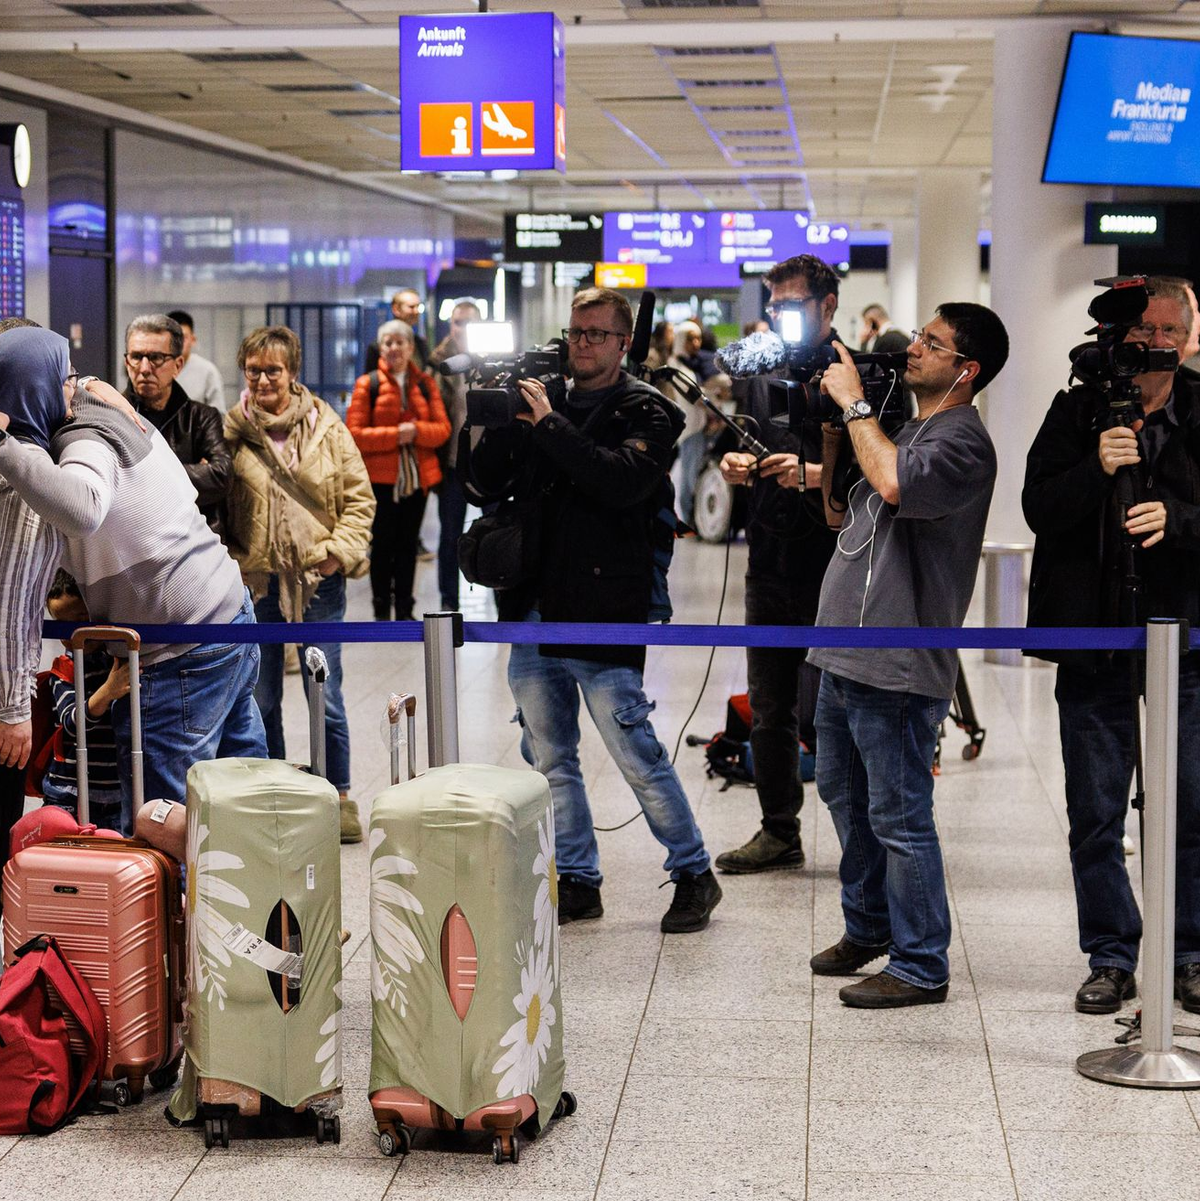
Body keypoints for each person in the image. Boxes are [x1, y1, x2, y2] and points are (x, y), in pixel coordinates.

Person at [466, 286, 722, 934]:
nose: (581, 344)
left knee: (635, 751)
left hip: (604, 606)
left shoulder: (648, 411)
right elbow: (483, 483)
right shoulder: (538, 399)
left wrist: (549, 423)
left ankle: (694, 871)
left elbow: (617, 480)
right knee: (549, 754)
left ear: (623, 343)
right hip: (532, 605)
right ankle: (578, 877)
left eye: (596, 334)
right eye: (575, 332)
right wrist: (496, 417)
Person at [808, 302, 1009, 1008]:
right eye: (919, 335)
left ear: (967, 369)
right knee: (844, 796)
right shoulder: (903, 427)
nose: (914, 348)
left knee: (897, 814)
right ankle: (868, 926)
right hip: (843, 647)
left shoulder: (965, 442)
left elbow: (896, 484)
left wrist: (855, 403)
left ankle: (922, 962)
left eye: (933, 342)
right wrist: (832, 435)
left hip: (896, 657)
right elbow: (842, 511)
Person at [0, 325, 267, 833]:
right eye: (63, 375)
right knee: (240, 810)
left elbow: (83, 509)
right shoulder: (99, 401)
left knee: (162, 825)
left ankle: (195, 890)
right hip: (226, 617)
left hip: (179, 649)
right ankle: (254, 886)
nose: (72, 385)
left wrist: (6, 447)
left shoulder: (80, 435)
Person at [1023, 276, 1200, 1015]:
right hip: (1094, 635)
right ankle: (1110, 953)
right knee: (1095, 810)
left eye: (1168, 330)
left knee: (1191, 803)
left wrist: (1180, 518)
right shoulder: (1076, 409)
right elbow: (1039, 507)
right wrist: (1096, 467)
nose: (1154, 342)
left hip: (1187, 639)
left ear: (1188, 339)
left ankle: (1190, 953)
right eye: (1142, 329)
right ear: (1118, 336)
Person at [224, 325, 375, 843]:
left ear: (293, 373)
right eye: (254, 370)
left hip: (318, 581)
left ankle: (338, 794)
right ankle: (278, 790)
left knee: (324, 695)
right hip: (258, 583)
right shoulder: (232, 431)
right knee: (261, 696)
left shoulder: (328, 427)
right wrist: (234, 561)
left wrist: (337, 554)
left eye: (274, 370)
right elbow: (215, 504)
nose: (263, 379)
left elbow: (359, 499)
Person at [715, 255, 839, 875]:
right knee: (769, 706)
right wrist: (734, 463)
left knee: (841, 709)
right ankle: (778, 829)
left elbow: (882, 471)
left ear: (827, 306)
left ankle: (862, 835)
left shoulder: (854, 374)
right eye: (774, 307)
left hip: (837, 562)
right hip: (768, 555)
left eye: (792, 306)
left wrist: (813, 474)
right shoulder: (761, 368)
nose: (780, 317)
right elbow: (737, 438)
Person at [0, 316, 66, 883]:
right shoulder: (27, 478)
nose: (71, 387)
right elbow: (11, 608)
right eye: (62, 374)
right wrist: (14, 711)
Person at [346, 319, 450, 620]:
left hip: (417, 480)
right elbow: (354, 434)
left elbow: (443, 429)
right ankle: (381, 608)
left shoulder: (425, 384)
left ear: (410, 347)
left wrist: (416, 431)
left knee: (407, 545)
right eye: (388, 343)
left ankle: (405, 608)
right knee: (381, 544)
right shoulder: (368, 384)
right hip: (380, 480)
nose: (394, 348)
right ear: (381, 348)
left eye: (399, 342)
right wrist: (395, 435)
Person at [124, 313, 232, 540]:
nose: (144, 368)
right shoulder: (113, 416)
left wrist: (143, 474)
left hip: (193, 542)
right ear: (127, 362)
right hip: (132, 542)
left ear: (178, 365)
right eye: (136, 357)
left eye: (156, 358)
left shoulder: (201, 418)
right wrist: (193, 470)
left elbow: (221, 475)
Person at [40, 571, 129, 832]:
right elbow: (71, 722)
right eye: (62, 625)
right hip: (68, 793)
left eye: (81, 620)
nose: (74, 634)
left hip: (118, 794)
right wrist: (108, 691)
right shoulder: (64, 669)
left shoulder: (119, 660)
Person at [429, 302, 480, 610]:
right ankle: (449, 602)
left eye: (468, 322)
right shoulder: (439, 364)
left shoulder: (493, 360)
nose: (461, 329)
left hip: (488, 464)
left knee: (498, 533)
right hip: (452, 463)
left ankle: (503, 600)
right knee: (450, 537)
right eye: (457, 322)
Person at [166, 309, 226, 410]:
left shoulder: (208, 371)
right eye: (173, 337)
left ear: (193, 340)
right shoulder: (153, 368)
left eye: (183, 337)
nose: (178, 343)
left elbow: (218, 413)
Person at [365, 289, 428, 373]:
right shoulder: (376, 347)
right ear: (396, 309)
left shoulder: (420, 344)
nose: (416, 311)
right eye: (411, 307)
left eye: (418, 306)